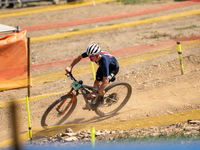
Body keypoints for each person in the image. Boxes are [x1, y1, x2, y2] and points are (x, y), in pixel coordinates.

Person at [65, 44, 119, 109]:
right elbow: (79, 57)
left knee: (99, 86)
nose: (90, 59)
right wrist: (70, 66)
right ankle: (94, 100)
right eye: (89, 57)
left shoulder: (104, 61)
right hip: (102, 67)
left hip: (112, 69)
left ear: (98, 54)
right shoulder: (92, 53)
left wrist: (96, 92)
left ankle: (100, 101)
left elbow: (106, 81)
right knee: (96, 83)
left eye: (92, 57)